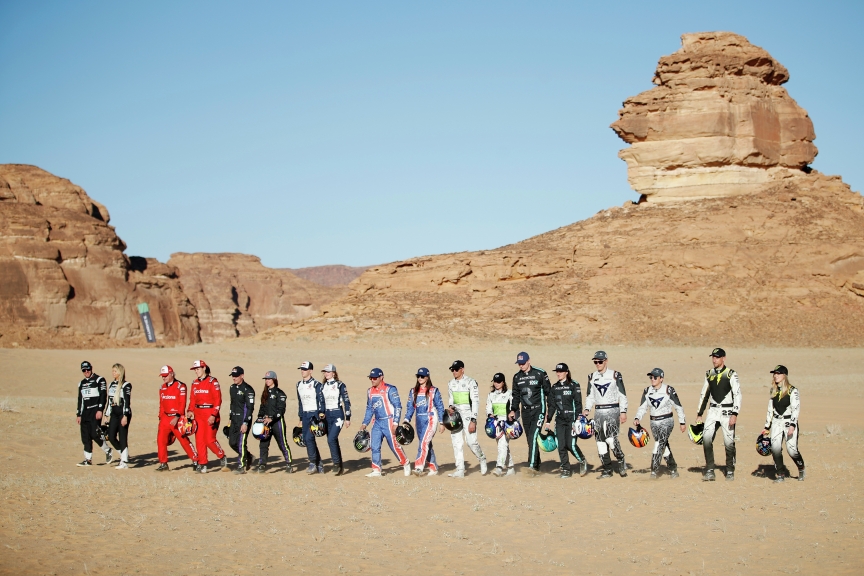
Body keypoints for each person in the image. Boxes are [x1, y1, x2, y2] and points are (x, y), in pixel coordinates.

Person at [695, 348, 742, 481]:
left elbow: (737, 394)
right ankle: (710, 469)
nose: (714, 359)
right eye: (713, 357)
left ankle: (730, 469)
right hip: (713, 411)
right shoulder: (709, 374)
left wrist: (735, 413)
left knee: (728, 442)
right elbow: (704, 393)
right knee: (706, 438)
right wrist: (700, 413)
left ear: (724, 358)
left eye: (717, 357)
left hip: (727, 411)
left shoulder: (731, 374)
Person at [633, 368, 686, 479]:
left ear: (661, 379)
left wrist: (682, 421)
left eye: (655, 377)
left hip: (667, 421)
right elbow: (643, 407)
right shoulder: (647, 391)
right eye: (651, 377)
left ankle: (654, 470)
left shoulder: (669, 390)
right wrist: (638, 417)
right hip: (653, 423)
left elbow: (678, 406)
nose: (652, 379)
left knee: (659, 443)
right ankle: (673, 469)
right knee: (663, 445)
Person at [584, 351, 628, 479]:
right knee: (600, 441)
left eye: (600, 361)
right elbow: (590, 396)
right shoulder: (591, 377)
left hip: (613, 410)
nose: (597, 364)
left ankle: (620, 459)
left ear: (606, 361)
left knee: (611, 438)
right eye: (595, 362)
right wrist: (587, 409)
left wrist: (623, 411)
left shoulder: (615, 375)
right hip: (598, 412)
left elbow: (622, 395)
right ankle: (607, 469)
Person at [359, 368, 410, 478]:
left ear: (381, 377)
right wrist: (364, 423)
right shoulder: (370, 391)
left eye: (374, 378)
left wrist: (395, 423)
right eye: (370, 378)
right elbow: (369, 408)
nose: (372, 380)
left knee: (394, 446)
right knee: (374, 446)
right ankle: (376, 469)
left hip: (389, 421)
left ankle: (405, 463)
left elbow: (398, 406)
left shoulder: (390, 389)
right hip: (377, 422)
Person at [509, 352, 552, 476]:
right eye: (519, 364)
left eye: (523, 363)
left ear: (529, 361)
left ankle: (532, 466)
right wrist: (513, 409)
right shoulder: (517, 377)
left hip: (539, 410)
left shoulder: (540, 373)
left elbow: (549, 393)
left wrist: (550, 411)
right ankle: (537, 464)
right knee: (530, 439)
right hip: (525, 412)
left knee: (533, 436)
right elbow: (516, 396)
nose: (521, 366)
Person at [762, 365, 804, 483]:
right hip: (776, 422)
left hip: (788, 422)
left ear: (784, 376)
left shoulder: (792, 391)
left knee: (792, 450)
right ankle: (780, 474)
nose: (775, 376)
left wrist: (792, 425)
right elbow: (770, 410)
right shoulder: (773, 390)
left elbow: (796, 409)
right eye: (774, 373)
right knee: (775, 448)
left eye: (778, 373)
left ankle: (801, 468)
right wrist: (766, 427)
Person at [544, 363, 587, 478]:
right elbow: (552, 406)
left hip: (572, 419)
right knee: (560, 444)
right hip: (560, 420)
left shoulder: (574, 385)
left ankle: (582, 460)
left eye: (561, 371)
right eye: (557, 371)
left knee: (570, 444)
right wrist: (548, 421)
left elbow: (578, 403)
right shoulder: (554, 387)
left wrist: (578, 419)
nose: (558, 373)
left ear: (566, 372)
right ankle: (565, 469)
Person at [446, 360, 487, 478]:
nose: (454, 372)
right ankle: (460, 469)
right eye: (452, 370)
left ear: (462, 369)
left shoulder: (471, 382)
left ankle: (482, 458)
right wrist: (450, 408)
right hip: (456, 416)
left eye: (456, 369)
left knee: (471, 442)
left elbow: (475, 401)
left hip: (468, 415)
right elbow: (450, 400)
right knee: (457, 443)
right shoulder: (450, 383)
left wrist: (473, 420)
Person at [403, 367, 445, 476]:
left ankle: (419, 467)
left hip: (431, 419)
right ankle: (433, 467)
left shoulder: (433, 390)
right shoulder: (413, 391)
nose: (420, 378)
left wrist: (442, 422)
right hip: (419, 421)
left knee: (423, 443)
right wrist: (406, 420)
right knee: (426, 444)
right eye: (418, 376)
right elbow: (410, 408)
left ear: (427, 377)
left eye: (422, 376)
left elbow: (440, 407)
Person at [187, 360, 227, 474]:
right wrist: (190, 410)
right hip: (198, 413)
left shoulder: (212, 381)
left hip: (210, 412)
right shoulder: (194, 383)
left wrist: (214, 414)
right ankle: (202, 464)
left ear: (204, 368)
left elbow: (218, 400)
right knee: (199, 440)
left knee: (209, 440)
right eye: (195, 369)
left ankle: (222, 455)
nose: (196, 371)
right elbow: (193, 399)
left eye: (198, 369)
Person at [156, 365, 198, 471]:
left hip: (177, 418)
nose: (163, 378)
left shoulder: (181, 386)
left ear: (171, 374)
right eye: (162, 376)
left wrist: (177, 416)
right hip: (165, 418)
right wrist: (161, 417)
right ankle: (163, 463)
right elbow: (162, 404)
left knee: (183, 440)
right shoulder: (162, 387)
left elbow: (182, 403)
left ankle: (195, 460)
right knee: (161, 440)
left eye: (165, 375)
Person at [256, 371, 294, 473]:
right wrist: (260, 419)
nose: (267, 381)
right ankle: (262, 464)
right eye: (266, 379)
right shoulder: (265, 393)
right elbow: (262, 408)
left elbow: (281, 410)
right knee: (263, 443)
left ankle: (289, 463)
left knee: (282, 443)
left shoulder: (280, 393)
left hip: (277, 423)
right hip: (266, 423)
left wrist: (272, 418)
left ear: (274, 380)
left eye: (269, 379)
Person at [76, 361, 112, 466]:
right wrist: (78, 414)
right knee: (85, 436)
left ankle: (107, 450)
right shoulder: (81, 383)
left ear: (91, 368)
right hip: (85, 413)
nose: (86, 372)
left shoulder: (99, 380)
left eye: (88, 369)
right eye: (84, 370)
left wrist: (100, 409)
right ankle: (88, 460)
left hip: (95, 411)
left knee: (94, 433)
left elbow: (103, 395)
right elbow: (80, 400)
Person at [321, 364, 352, 476]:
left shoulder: (340, 385)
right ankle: (340, 466)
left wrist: (348, 417)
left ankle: (336, 464)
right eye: (325, 372)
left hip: (337, 414)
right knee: (332, 440)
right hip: (326, 415)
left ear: (333, 373)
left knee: (331, 439)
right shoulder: (323, 386)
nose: (326, 373)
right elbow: (321, 402)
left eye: (328, 372)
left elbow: (346, 401)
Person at [296, 361, 326, 474]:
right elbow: (300, 402)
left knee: (309, 438)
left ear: (310, 371)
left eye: (305, 369)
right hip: (304, 414)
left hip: (314, 414)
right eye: (301, 369)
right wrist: (300, 418)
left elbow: (321, 400)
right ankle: (319, 463)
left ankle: (312, 462)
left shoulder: (316, 385)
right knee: (307, 440)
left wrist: (320, 414)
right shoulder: (298, 385)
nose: (302, 371)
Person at [227, 366, 256, 475]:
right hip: (234, 419)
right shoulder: (232, 388)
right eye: (232, 376)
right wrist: (230, 419)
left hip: (243, 420)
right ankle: (249, 456)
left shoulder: (248, 390)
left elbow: (250, 408)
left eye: (236, 376)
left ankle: (241, 465)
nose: (234, 378)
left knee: (241, 443)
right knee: (232, 442)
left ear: (242, 376)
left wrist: (245, 423)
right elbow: (232, 404)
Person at [486, 372, 515, 477]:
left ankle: (499, 467)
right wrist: (490, 414)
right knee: (503, 445)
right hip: (496, 424)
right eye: (495, 382)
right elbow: (488, 408)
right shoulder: (491, 395)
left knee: (502, 445)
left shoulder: (509, 394)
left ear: (503, 382)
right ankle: (511, 467)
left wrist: (512, 419)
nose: (497, 384)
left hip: (507, 423)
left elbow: (513, 407)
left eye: (499, 382)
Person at [105, 363, 132, 469]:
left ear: (120, 372)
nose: (113, 373)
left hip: (123, 413)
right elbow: (109, 400)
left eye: (115, 371)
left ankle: (124, 462)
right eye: (112, 371)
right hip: (114, 413)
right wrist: (106, 414)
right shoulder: (111, 384)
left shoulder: (126, 385)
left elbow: (127, 401)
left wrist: (125, 415)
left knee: (122, 436)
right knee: (111, 436)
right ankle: (123, 454)